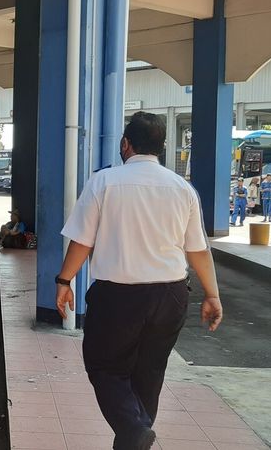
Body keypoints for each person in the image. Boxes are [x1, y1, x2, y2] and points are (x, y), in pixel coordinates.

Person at [55, 112, 223, 450]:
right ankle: (134, 437)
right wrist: (212, 295)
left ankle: (133, 431)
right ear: (161, 147)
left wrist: (64, 280)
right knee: (150, 373)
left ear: (125, 144)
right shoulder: (182, 189)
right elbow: (199, 250)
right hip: (171, 296)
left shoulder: (103, 182)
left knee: (105, 367)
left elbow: (82, 241)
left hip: (118, 297)